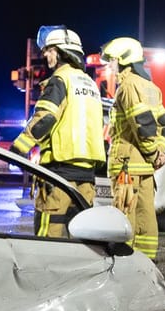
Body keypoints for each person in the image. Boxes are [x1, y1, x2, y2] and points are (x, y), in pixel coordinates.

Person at [11, 28, 104, 237]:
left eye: (49, 50)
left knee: (48, 238)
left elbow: (46, 118)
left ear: (62, 51)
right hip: (86, 178)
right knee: (80, 240)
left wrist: (18, 149)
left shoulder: (60, 79)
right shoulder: (90, 84)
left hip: (60, 175)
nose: (45, 55)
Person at [100, 37, 165, 258]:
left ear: (124, 60)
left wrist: (151, 152)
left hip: (127, 165)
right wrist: (159, 153)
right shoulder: (151, 88)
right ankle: (147, 259)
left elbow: (142, 124)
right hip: (146, 166)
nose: (110, 65)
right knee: (146, 214)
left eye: (112, 61)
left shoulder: (128, 86)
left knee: (124, 213)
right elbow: (163, 125)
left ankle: (123, 260)